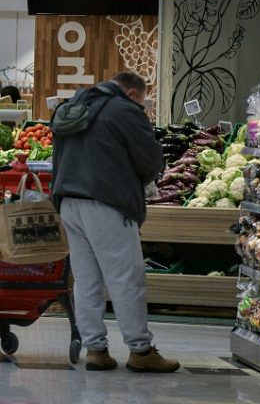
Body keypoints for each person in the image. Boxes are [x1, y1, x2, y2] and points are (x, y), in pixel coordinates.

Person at [50, 72, 179, 373]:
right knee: (126, 278)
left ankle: (95, 349)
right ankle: (141, 350)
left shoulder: (73, 105)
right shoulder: (124, 110)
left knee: (86, 279)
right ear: (133, 94)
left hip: (69, 201)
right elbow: (149, 159)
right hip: (106, 201)